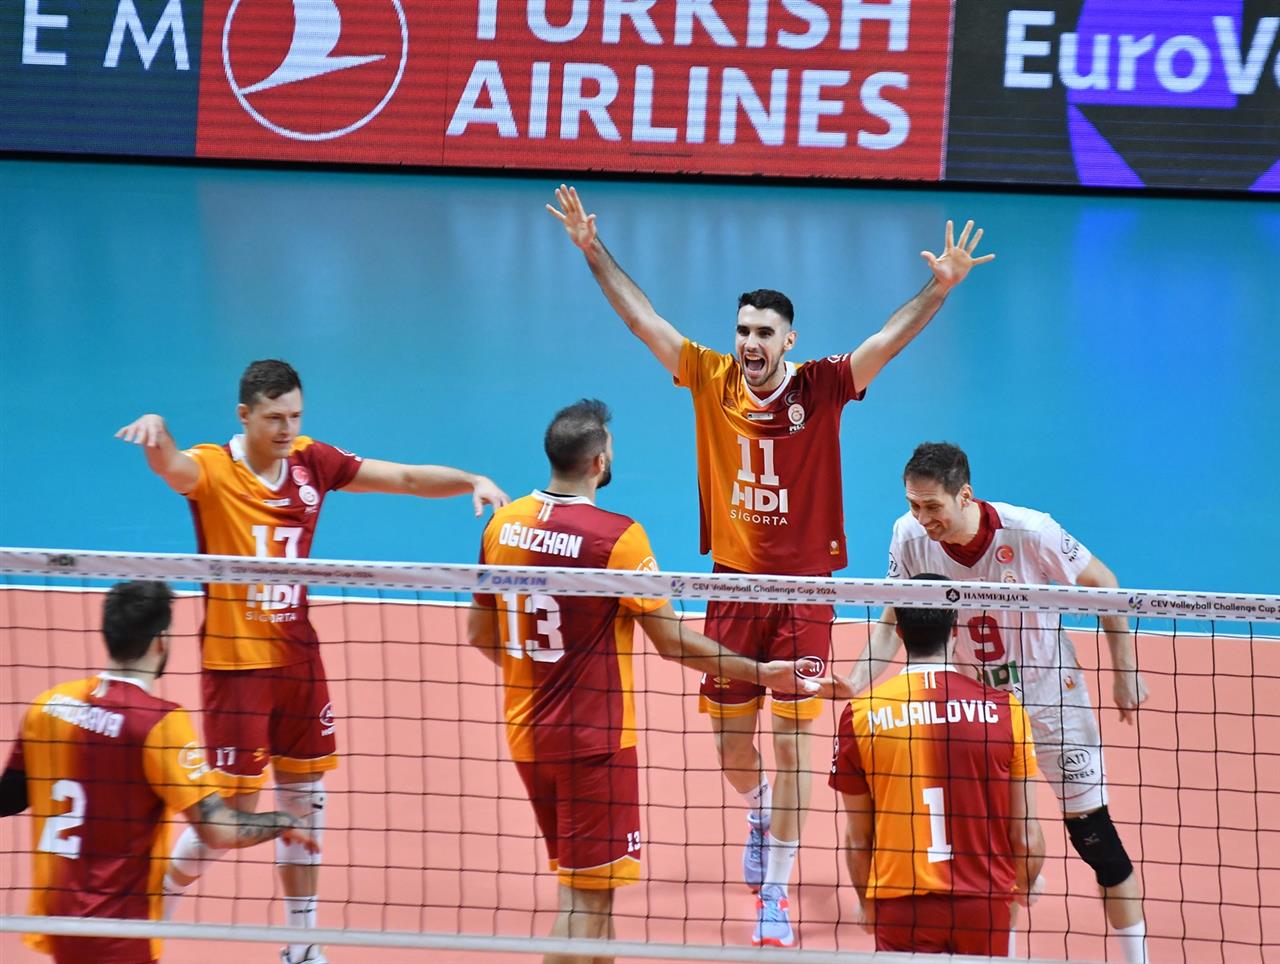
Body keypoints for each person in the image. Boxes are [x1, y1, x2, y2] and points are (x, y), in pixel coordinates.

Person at [547, 185, 995, 946]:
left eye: (764, 332)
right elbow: (642, 318)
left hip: (804, 591)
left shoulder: (822, 386)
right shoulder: (710, 376)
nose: (750, 342)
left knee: (793, 745)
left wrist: (941, 287)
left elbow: (888, 339)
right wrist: (592, 249)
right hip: (731, 586)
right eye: (743, 330)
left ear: (789, 340)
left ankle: (776, 894)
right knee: (732, 748)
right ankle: (759, 810)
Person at [114, 359, 508, 964]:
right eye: (274, 418)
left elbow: (403, 477)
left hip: (299, 662)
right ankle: (157, 897)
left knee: (307, 806)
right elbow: (171, 467)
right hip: (236, 669)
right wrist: (157, 432)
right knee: (231, 818)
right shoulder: (214, 469)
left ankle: (302, 945)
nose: (286, 429)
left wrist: (471, 479)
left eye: (294, 416)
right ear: (244, 415)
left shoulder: (311, 461)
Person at [466, 399, 823, 964]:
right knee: (583, 903)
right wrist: (760, 672)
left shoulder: (502, 526)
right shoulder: (617, 538)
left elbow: (480, 634)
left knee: (597, 895)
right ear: (599, 462)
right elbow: (673, 642)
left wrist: (543, 676)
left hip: (527, 738)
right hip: (595, 744)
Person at [848, 442, 1150, 962]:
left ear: (965, 495)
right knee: (989, 849)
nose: (922, 519)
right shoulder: (908, 537)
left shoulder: (1031, 532)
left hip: (1050, 702)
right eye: (913, 505)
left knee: (1096, 839)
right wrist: (856, 683)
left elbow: (1105, 586)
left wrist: (1125, 672)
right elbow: (892, 623)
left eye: (933, 507)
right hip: (977, 714)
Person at [0, 581, 316, 964]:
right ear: (162, 640)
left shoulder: (48, 705)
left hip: (58, 920)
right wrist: (283, 821)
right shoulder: (160, 724)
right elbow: (218, 830)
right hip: (121, 933)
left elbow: (9, 797)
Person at [827, 575, 1045, 956]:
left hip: (901, 906)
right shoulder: (1005, 711)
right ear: (956, 629)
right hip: (983, 904)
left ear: (898, 631)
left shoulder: (860, 715)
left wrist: (866, 903)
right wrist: (1024, 884)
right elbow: (1025, 836)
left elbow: (858, 839)